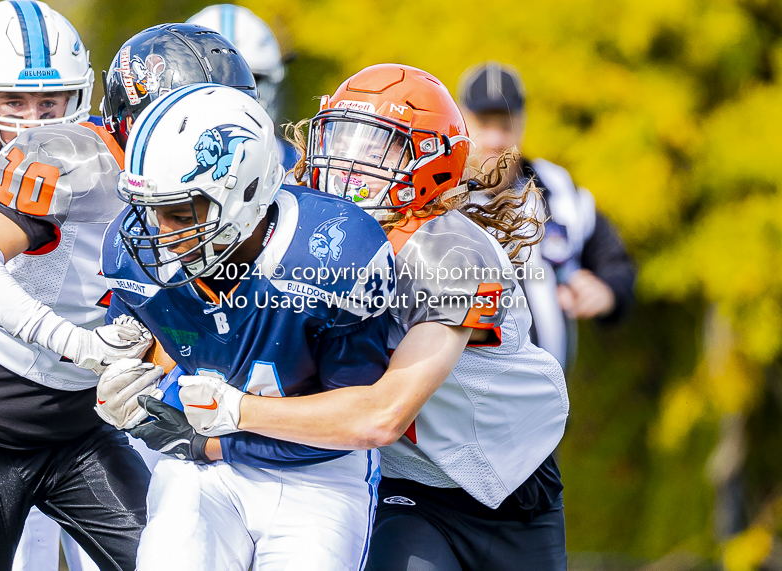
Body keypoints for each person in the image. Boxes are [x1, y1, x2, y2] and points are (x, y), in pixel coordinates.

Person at [178, 64, 570, 570]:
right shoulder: (301, 229)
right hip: (405, 488)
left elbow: (384, 414)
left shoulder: (449, 255)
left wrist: (233, 416)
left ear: (431, 162)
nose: (349, 162)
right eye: (342, 138)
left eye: (376, 146)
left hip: (511, 482)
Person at [96, 83, 395, 570]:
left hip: (316, 475)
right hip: (203, 468)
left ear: (245, 193)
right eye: (148, 211)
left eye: (177, 213)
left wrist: (238, 413)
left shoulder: (332, 253)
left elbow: (360, 418)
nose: (159, 235)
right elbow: (143, 361)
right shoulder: (134, 251)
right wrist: (122, 386)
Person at [0, 2, 156, 569]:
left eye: (50, 102)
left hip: (80, 428)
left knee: (165, 556)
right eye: (13, 102)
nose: (34, 121)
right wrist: (73, 342)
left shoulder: (96, 166)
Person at [457, 60, 636, 370]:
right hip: (461, 404)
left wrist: (605, 292)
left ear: (523, 123)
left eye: (506, 125)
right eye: (484, 124)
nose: (496, 140)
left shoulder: (557, 189)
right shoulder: (442, 194)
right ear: (461, 122)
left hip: (547, 408)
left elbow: (616, 262)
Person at [187, 3, 299, 172]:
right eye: (215, 82)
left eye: (250, 79)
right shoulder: (154, 163)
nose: (233, 98)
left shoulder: (302, 170)